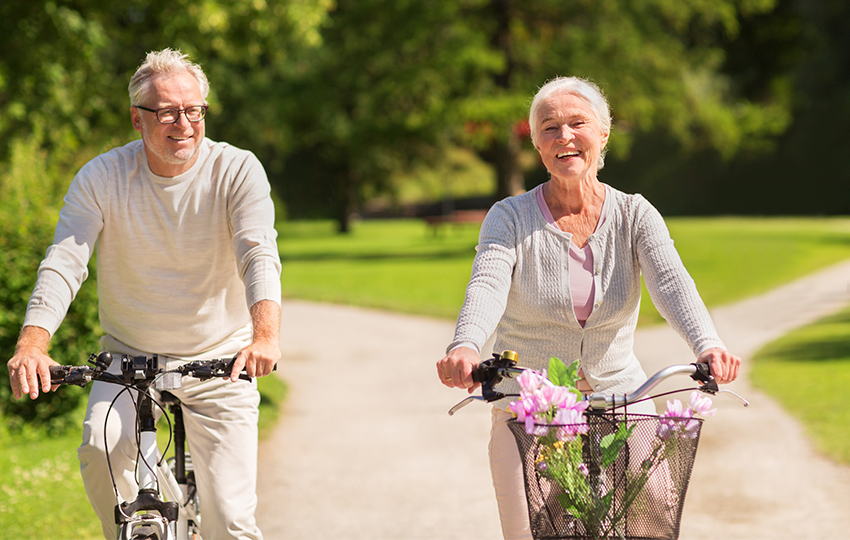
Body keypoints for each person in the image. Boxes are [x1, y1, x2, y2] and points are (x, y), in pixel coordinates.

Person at [436, 76, 741, 540]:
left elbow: (672, 282)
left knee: (651, 513)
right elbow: (487, 283)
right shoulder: (510, 217)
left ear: (603, 134)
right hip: (530, 402)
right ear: (537, 144)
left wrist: (708, 344)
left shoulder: (635, 214)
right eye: (549, 128)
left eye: (577, 123)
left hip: (620, 395)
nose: (564, 137)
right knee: (528, 526)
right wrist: (466, 344)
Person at [6, 48, 282, 540]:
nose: (184, 123)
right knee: (100, 449)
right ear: (137, 118)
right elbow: (66, 261)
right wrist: (33, 344)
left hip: (221, 363)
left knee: (232, 522)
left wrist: (264, 336)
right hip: (129, 361)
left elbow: (257, 253)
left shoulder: (237, 170)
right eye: (167, 112)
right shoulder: (102, 177)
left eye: (193, 109)